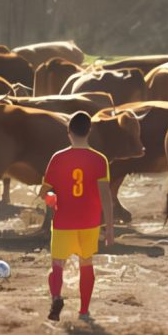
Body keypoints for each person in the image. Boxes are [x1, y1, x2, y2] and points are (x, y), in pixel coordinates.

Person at [39, 111, 114, 322]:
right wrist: (109, 227)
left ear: (69, 132)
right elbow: (106, 196)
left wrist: (52, 198)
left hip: (63, 221)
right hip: (89, 222)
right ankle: (84, 311)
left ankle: (56, 297)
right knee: (86, 263)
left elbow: (44, 192)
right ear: (89, 131)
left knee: (57, 264)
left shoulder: (58, 158)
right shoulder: (100, 160)